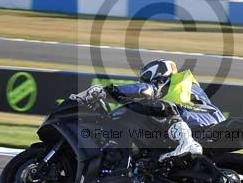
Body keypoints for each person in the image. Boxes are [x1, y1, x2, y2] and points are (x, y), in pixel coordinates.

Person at [69, 60, 225, 161]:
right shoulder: (176, 86)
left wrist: (105, 92)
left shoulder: (167, 81)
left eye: (145, 78)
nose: (143, 81)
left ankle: (187, 143)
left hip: (203, 118)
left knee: (162, 107)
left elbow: (146, 91)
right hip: (199, 120)